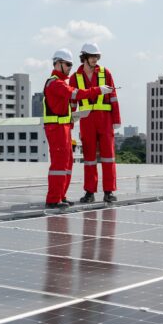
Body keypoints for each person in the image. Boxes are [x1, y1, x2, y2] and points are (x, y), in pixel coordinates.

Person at [43, 49, 103, 208]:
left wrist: (73, 117)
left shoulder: (60, 83)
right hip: (56, 129)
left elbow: (64, 106)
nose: (70, 67)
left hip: (64, 127)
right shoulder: (55, 83)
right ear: (58, 63)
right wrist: (98, 90)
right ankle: (53, 199)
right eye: (67, 64)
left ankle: (61, 196)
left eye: (71, 64)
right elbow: (76, 94)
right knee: (59, 164)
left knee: (67, 163)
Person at [73, 42, 119, 203]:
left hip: (105, 119)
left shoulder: (106, 73)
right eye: (92, 56)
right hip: (86, 120)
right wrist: (72, 119)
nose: (95, 59)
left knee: (108, 157)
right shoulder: (75, 77)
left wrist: (116, 119)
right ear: (84, 57)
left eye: (97, 56)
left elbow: (113, 97)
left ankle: (109, 191)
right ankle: (89, 192)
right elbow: (72, 101)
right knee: (89, 158)